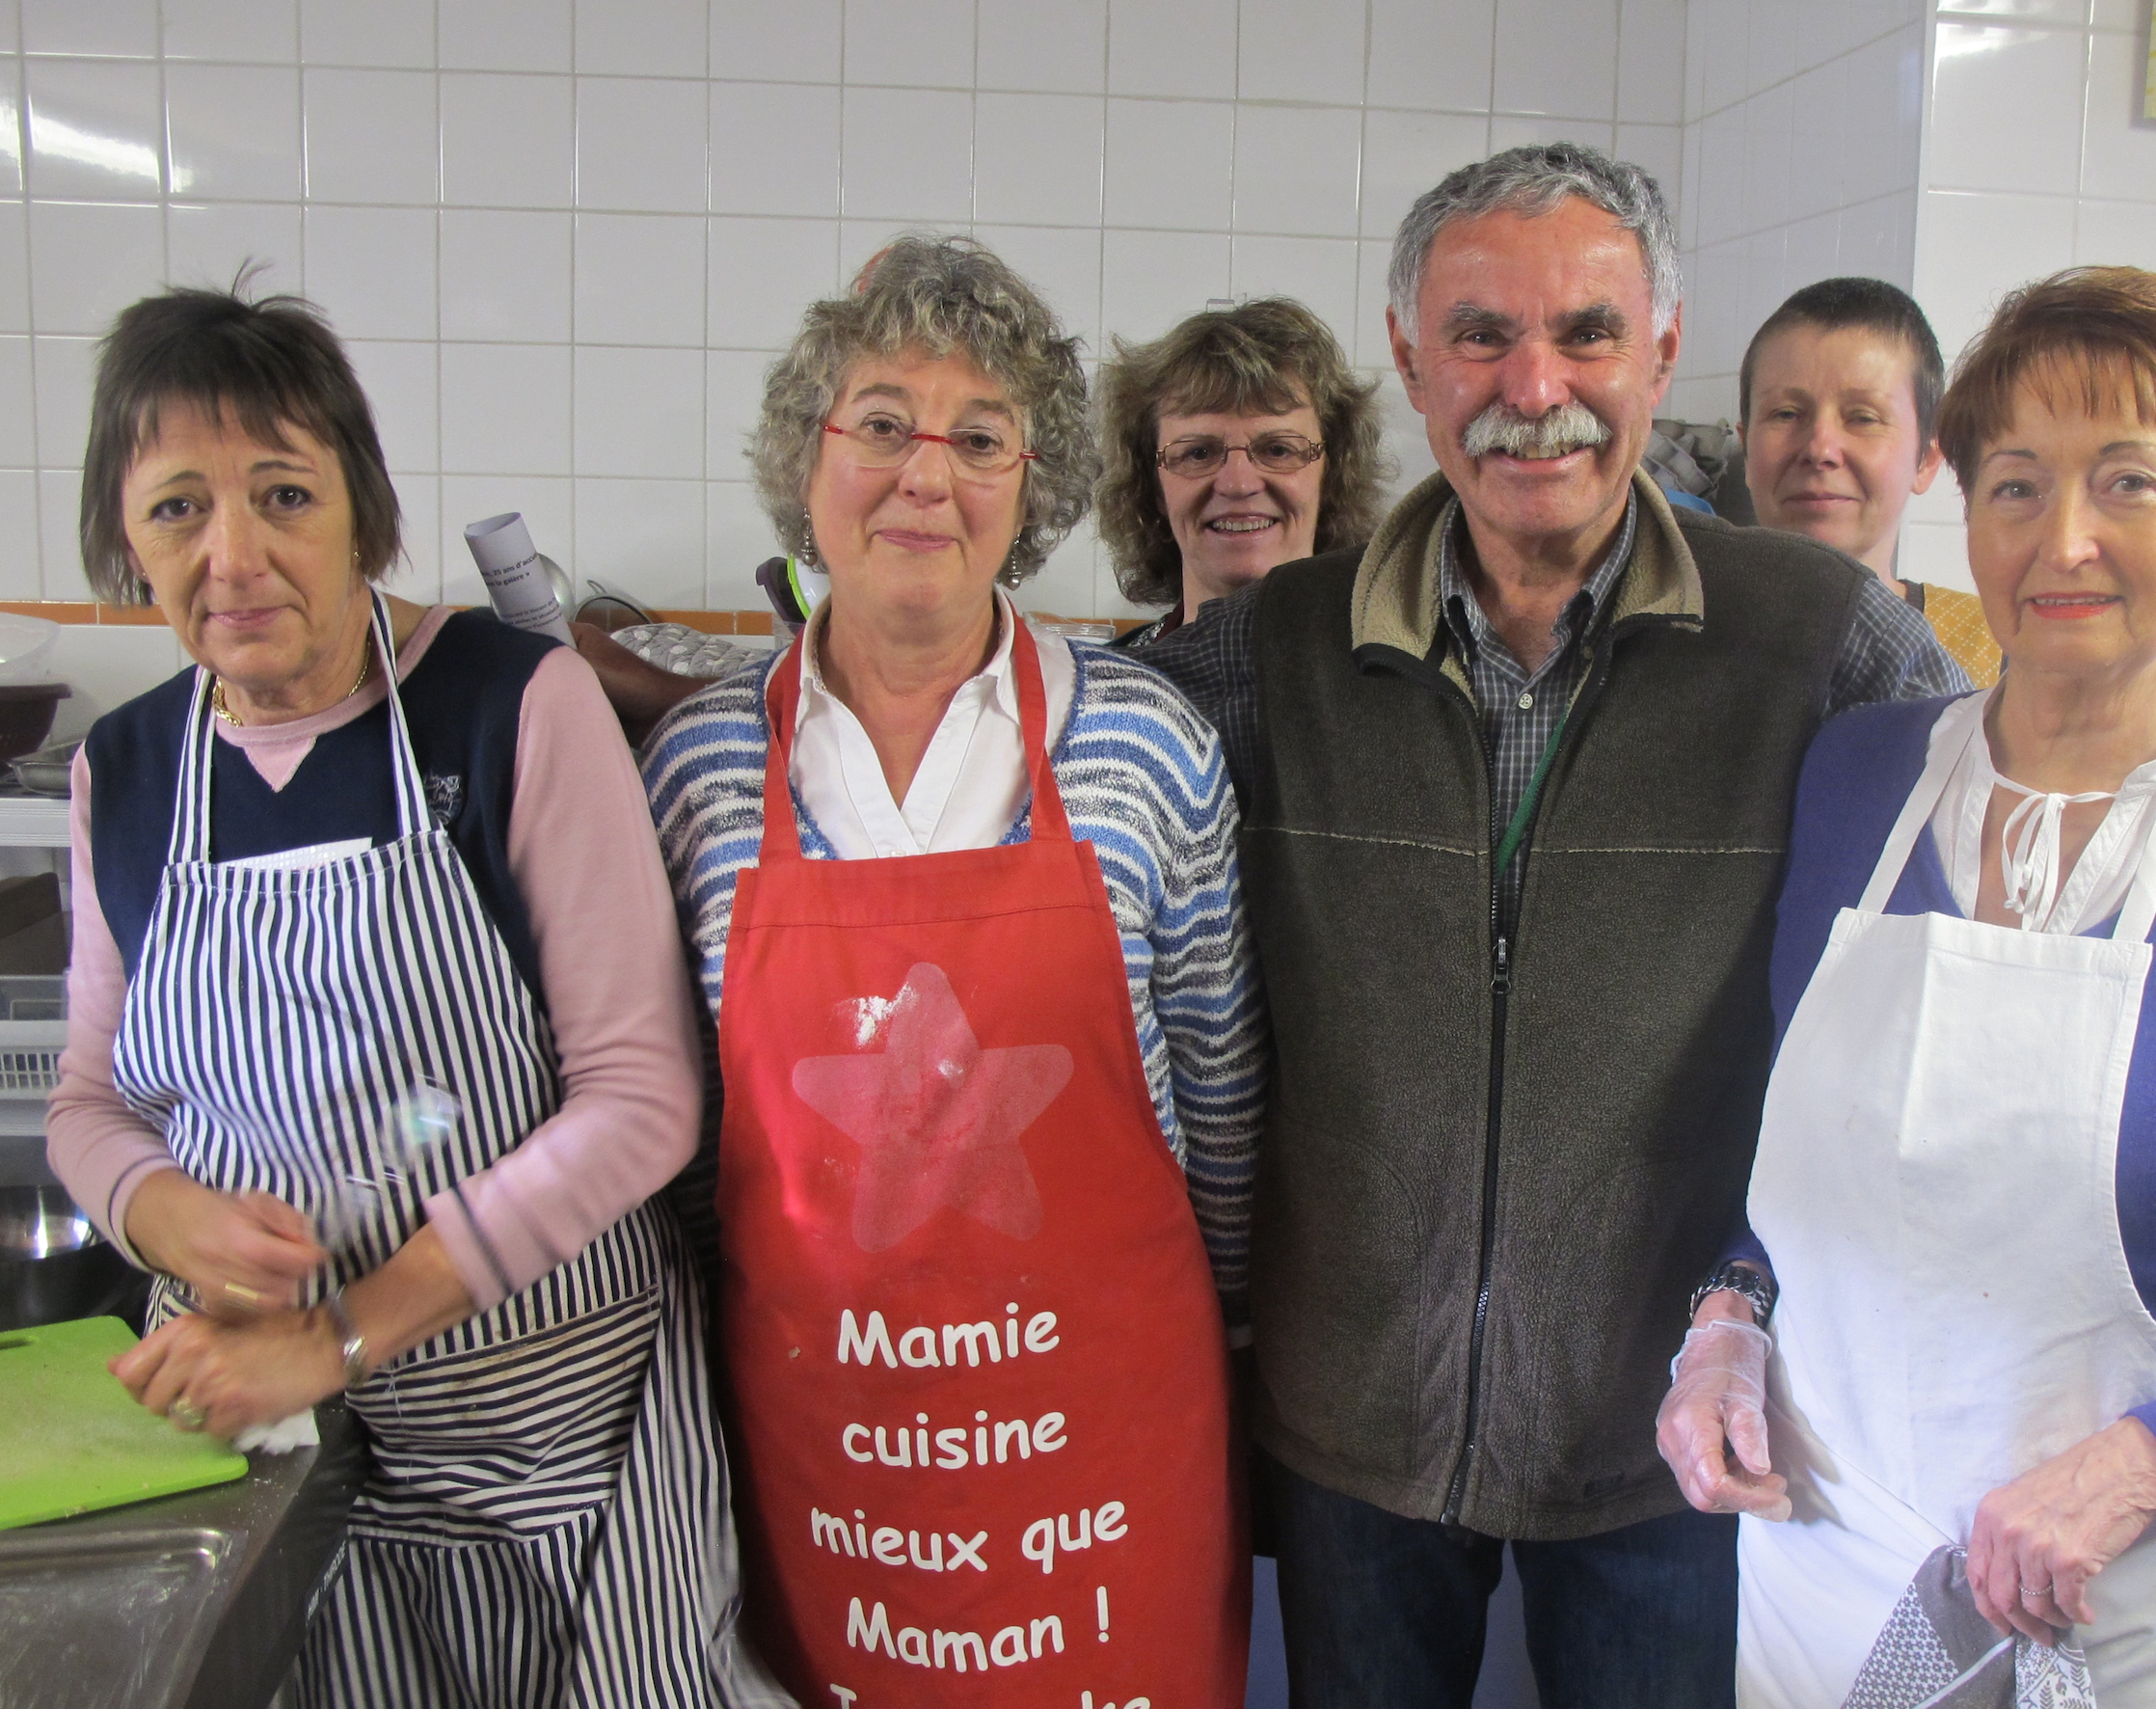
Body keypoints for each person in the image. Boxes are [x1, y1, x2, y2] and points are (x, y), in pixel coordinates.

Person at [1142, 144, 2156, 1708]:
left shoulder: (1815, 647)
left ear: (1662, 354)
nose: (1532, 383)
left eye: (1588, 333)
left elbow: (2049, 726)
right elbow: (1072, 752)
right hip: (1427, 1437)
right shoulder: (1281, 649)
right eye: (1481, 334)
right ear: (1411, 359)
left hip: (1686, 1471)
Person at [1657, 268, 2156, 1706]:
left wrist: (2147, 1467)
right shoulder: (1854, 781)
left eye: (2129, 481)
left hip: (2138, 1611)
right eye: (2015, 485)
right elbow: (1823, 1173)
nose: (2061, 540)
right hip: (1823, 1570)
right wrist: (1726, 1318)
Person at [45, 287, 760, 1706]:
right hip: (287, 1449)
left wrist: (348, 1325)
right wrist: (162, 1208)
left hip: (560, 1439)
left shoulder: (511, 704)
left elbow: (640, 1101)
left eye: (282, 494)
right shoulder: (123, 775)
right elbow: (90, 1102)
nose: (233, 554)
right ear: (125, 538)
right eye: (179, 508)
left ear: (362, 516)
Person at [637, 234, 1263, 1708]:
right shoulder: (701, 771)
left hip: (1101, 1432)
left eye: (979, 437)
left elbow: (1224, 1107)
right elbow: (685, 1149)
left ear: (1029, 490)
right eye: (878, 424)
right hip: (831, 1441)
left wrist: (1229, 1337)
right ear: (807, 462)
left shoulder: (1145, 750)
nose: (926, 475)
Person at [1740, 277, 2000, 686]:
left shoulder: (1994, 649)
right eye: (1786, 414)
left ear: (1927, 461)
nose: (1820, 448)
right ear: (1746, 448)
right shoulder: (1676, 634)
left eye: (1863, 417)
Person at [1094, 296, 1390, 650]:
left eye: (1278, 450)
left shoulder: (1398, 687)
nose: (1238, 484)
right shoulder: (1102, 691)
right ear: (1154, 487)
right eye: (1198, 453)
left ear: (1332, 474)